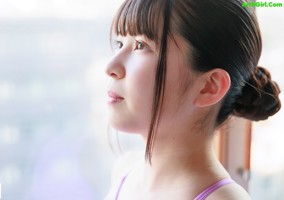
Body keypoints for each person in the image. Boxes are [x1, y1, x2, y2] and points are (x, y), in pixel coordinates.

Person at [104, 0, 281, 199]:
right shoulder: (125, 172)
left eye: (140, 45)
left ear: (209, 87)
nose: (111, 67)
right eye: (119, 44)